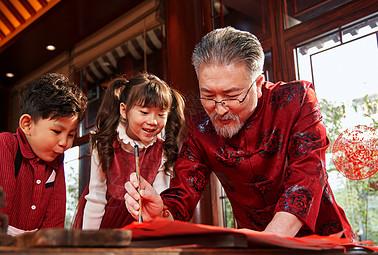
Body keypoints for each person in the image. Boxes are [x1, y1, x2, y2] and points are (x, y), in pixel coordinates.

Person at [124, 26, 355, 239]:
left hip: (321, 238)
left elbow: (306, 176)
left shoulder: (297, 100)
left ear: (258, 84)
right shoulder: (201, 129)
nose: (220, 108)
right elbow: (184, 191)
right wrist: (160, 213)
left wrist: (270, 238)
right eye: (208, 95)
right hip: (255, 247)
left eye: (232, 96)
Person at [71, 72, 185, 230]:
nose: (152, 121)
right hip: (105, 220)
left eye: (161, 114)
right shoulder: (104, 143)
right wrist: (90, 240)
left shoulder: (162, 150)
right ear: (124, 111)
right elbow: (96, 198)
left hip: (142, 222)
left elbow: (160, 196)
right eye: (144, 112)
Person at [0, 72, 87, 236]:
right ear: (27, 124)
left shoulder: (56, 158)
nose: (64, 143)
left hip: (31, 246)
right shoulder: (6, 145)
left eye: (70, 135)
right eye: (56, 131)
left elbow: (55, 219)